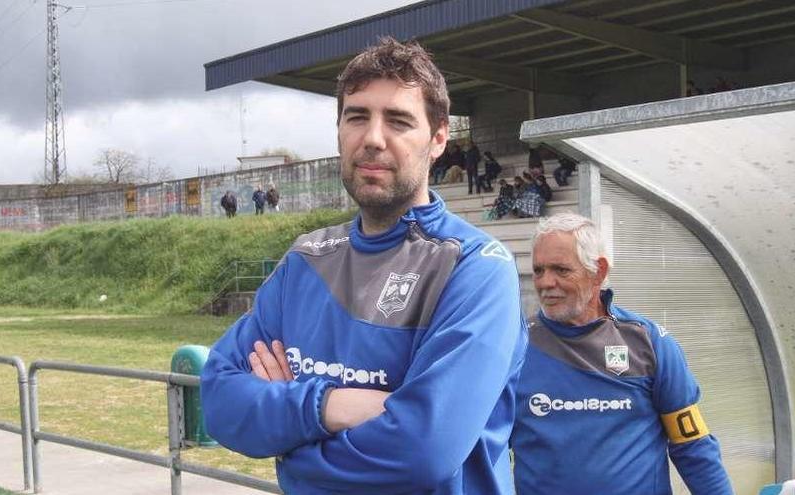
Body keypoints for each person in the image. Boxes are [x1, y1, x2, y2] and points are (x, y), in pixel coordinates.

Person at [201, 36, 527, 495]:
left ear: (438, 139)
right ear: (339, 130)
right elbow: (219, 401)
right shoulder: (304, 262)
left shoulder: (476, 268)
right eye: (357, 117)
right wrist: (328, 405)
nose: (373, 139)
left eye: (398, 121)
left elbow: (422, 451)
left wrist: (292, 450)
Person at [511, 212, 734, 495]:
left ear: (599, 271)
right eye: (539, 270)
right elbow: (484, 446)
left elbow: (692, 446)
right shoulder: (515, 346)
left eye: (561, 270)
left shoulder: (650, 343)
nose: (545, 283)